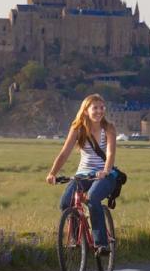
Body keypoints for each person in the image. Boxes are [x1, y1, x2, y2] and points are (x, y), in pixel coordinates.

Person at [46, 94, 118, 254]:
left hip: (105, 175)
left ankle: (101, 244)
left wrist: (105, 171)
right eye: (95, 108)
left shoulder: (109, 128)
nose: (99, 111)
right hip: (83, 175)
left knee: (92, 198)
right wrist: (53, 173)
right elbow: (64, 153)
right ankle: (75, 238)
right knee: (66, 203)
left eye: (102, 108)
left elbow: (111, 153)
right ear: (85, 111)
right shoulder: (78, 129)